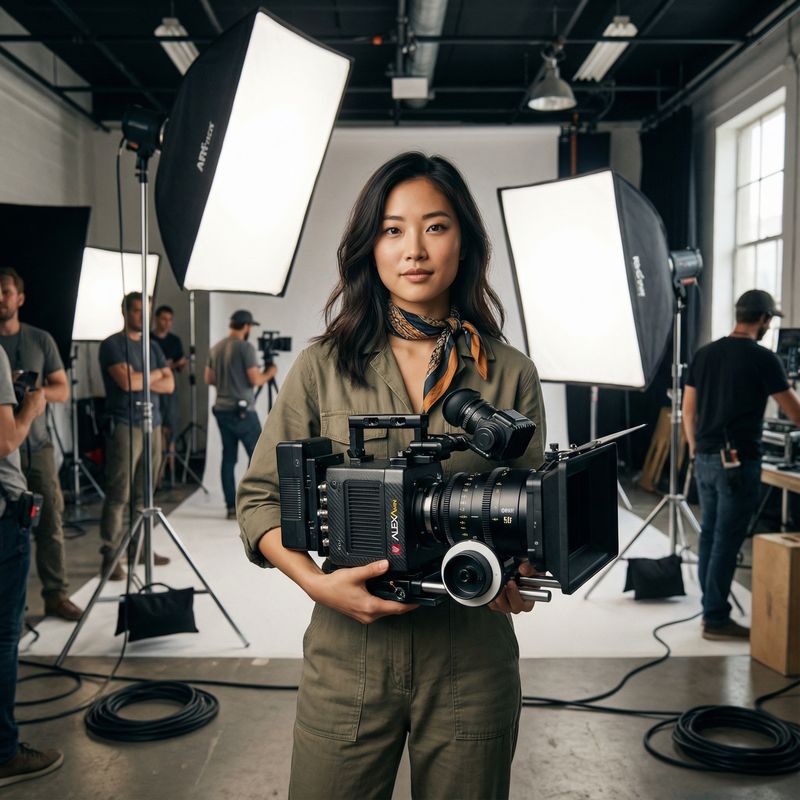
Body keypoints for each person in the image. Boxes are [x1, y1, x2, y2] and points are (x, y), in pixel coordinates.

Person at [237, 152, 546, 799]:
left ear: (464, 241)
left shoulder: (508, 372)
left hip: (470, 649)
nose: (414, 249)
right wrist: (320, 586)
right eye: (392, 228)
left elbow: (535, 510)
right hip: (349, 649)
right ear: (369, 246)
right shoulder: (323, 366)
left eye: (435, 226)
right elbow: (260, 500)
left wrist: (520, 569)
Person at [683, 289, 800, 641]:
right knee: (726, 542)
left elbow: (689, 410)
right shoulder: (764, 359)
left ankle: (711, 609)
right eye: (769, 320)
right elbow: (794, 412)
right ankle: (716, 618)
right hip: (738, 462)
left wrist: (695, 449)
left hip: (704, 458)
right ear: (763, 319)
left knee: (709, 537)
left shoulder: (704, 354)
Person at [0, 267, 81, 621]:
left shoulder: (40, 339)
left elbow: (62, 389)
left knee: (50, 521)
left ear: (20, 298)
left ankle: (56, 594)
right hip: (4, 454)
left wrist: (33, 396)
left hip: (39, 447)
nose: (0, 299)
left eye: (5, 291)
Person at [0, 344, 63, 787]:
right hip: (5, 514)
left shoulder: (39, 339)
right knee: (4, 637)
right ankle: (3, 754)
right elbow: (5, 440)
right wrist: (30, 406)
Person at [98, 293, 175, 580]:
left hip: (152, 425)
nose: (141, 316)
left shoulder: (152, 346)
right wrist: (153, 376)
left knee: (146, 493)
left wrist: (144, 375)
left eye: (146, 312)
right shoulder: (112, 345)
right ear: (125, 312)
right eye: (137, 311)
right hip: (124, 425)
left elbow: (169, 385)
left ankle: (140, 548)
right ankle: (110, 554)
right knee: (120, 492)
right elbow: (127, 383)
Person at [205, 310, 276, 520]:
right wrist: (271, 371)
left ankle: (230, 506)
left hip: (222, 409)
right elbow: (255, 380)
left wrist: (228, 381)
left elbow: (208, 378)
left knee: (229, 457)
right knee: (258, 457)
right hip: (242, 411)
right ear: (246, 327)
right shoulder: (245, 348)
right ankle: (252, 503)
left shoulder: (216, 347)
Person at [151, 305, 188, 483]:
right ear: (156, 319)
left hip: (170, 389)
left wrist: (176, 365)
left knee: (171, 428)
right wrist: (168, 367)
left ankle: (171, 472)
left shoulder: (175, 341)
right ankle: (158, 474)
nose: (166, 323)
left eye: (169, 320)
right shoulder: (149, 340)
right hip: (153, 391)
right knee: (158, 429)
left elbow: (179, 366)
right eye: (163, 319)